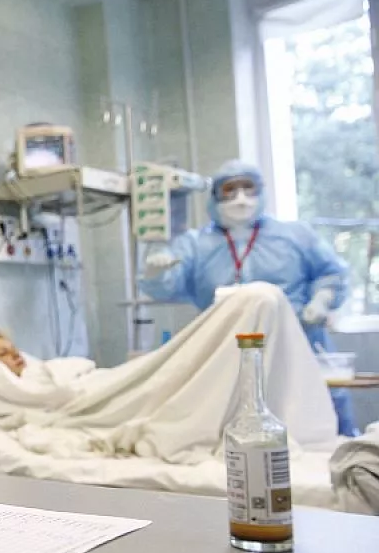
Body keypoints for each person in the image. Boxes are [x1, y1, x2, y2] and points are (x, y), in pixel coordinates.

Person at [139, 159, 356, 436]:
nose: (240, 197)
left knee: (316, 417)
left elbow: (330, 273)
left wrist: (321, 300)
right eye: (230, 189)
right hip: (227, 349)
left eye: (248, 187)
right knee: (230, 420)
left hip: (296, 341)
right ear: (215, 196)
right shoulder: (195, 245)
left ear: (261, 191)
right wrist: (155, 274)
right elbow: (167, 288)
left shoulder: (295, 235)